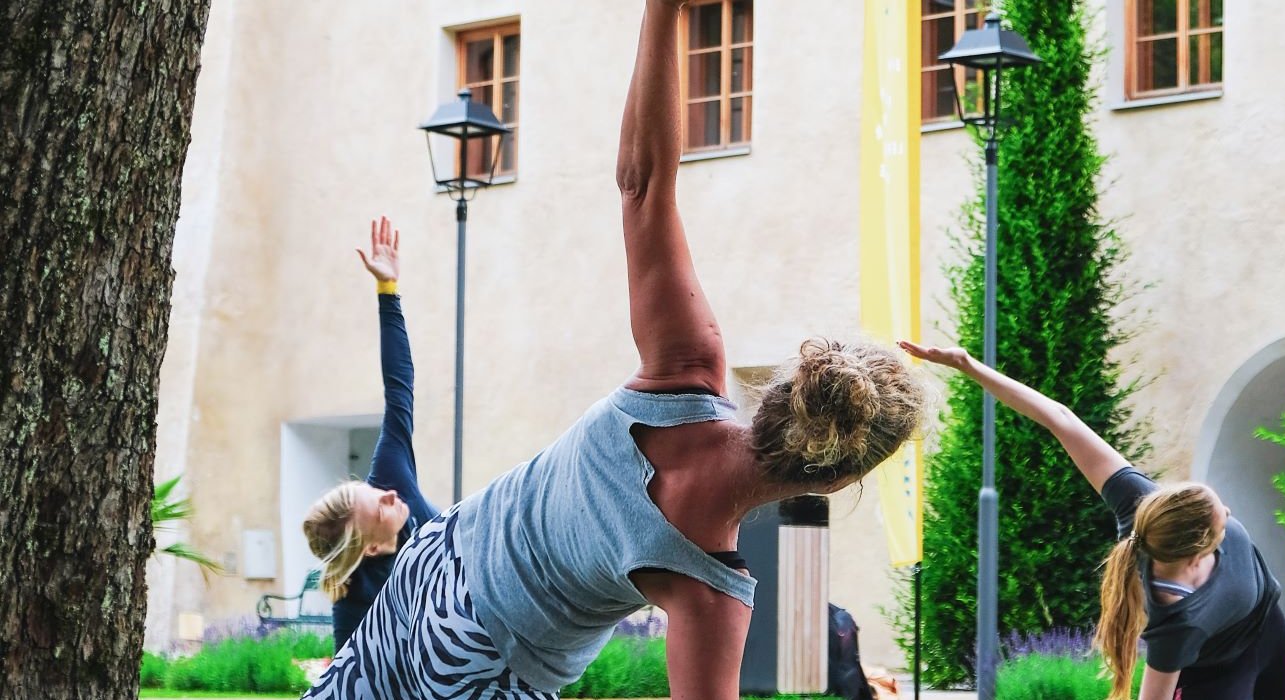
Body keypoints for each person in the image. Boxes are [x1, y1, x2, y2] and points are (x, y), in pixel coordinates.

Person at [300, 2, 928, 697]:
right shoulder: (711, 588)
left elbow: (643, 184)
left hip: (438, 564)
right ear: (836, 481)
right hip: (480, 664)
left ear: (794, 384)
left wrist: (665, 10)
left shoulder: (685, 369)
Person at [898, 341, 1285, 700]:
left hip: (1269, 633)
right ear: (1197, 554)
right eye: (1221, 519)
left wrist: (969, 365)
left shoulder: (1140, 504)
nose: (1228, 513)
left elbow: (1060, 418)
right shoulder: (1178, 624)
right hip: (1218, 675)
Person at [301, 216, 441, 651]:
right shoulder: (357, 602)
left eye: (371, 491)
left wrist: (387, 290)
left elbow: (399, 389)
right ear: (372, 551)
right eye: (377, 507)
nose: (387, 495)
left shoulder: (389, 479)